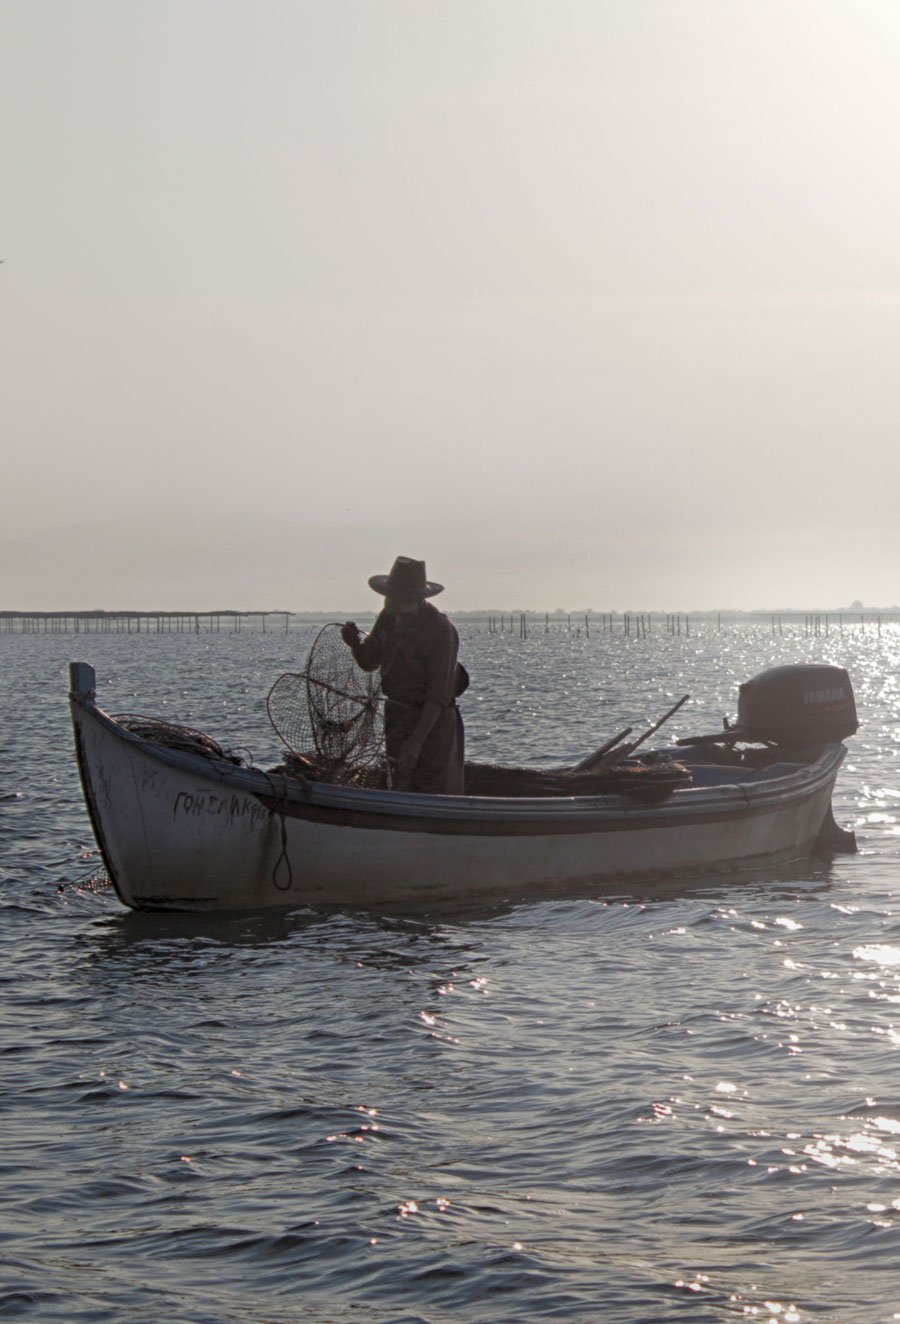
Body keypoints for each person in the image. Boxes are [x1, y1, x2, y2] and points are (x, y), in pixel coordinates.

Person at [340, 557, 466, 794]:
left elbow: (439, 695)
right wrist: (355, 645)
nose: (397, 610)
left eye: (403, 603)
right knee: (399, 781)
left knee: (433, 789)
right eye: (392, 600)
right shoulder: (388, 617)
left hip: (432, 723)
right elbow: (370, 661)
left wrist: (417, 741)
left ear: (419, 600)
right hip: (397, 716)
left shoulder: (440, 630)